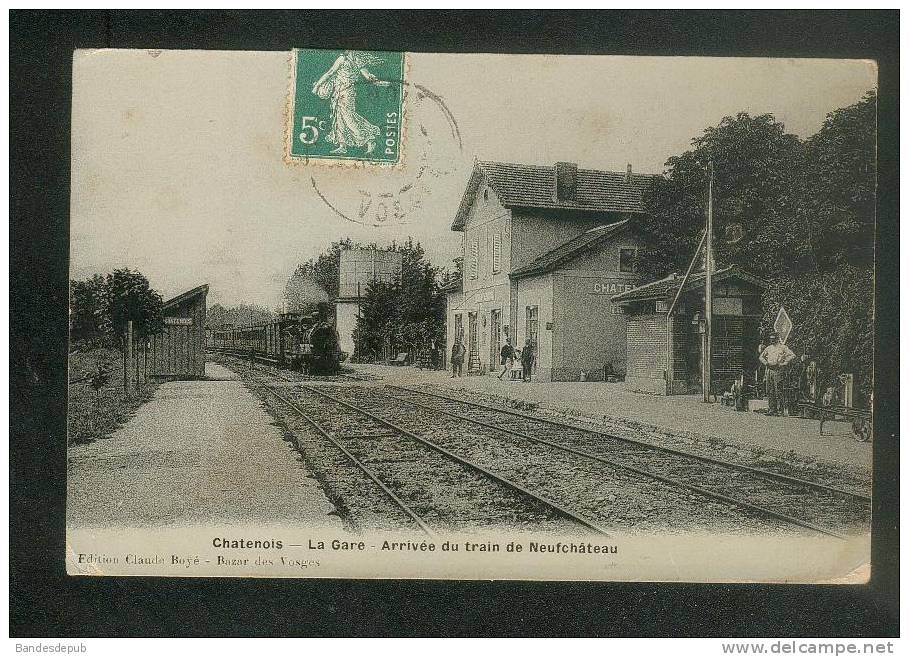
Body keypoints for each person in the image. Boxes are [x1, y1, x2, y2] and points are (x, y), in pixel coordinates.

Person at [311, 50, 390, 155]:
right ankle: (342, 145)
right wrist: (378, 83)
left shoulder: (346, 59)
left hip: (346, 92)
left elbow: (330, 72)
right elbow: (368, 76)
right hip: (339, 92)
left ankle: (369, 139)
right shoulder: (355, 59)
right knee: (339, 118)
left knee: (349, 118)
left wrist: (317, 86)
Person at [759, 332, 796, 416]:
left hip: (778, 370)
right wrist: (766, 363)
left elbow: (792, 355)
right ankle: (772, 409)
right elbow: (761, 357)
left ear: (777, 339)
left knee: (778, 390)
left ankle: (780, 410)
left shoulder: (783, 347)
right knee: (770, 390)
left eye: (773, 339)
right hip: (769, 370)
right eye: (771, 339)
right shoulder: (768, 348)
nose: (772, 341)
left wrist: (784, 363)